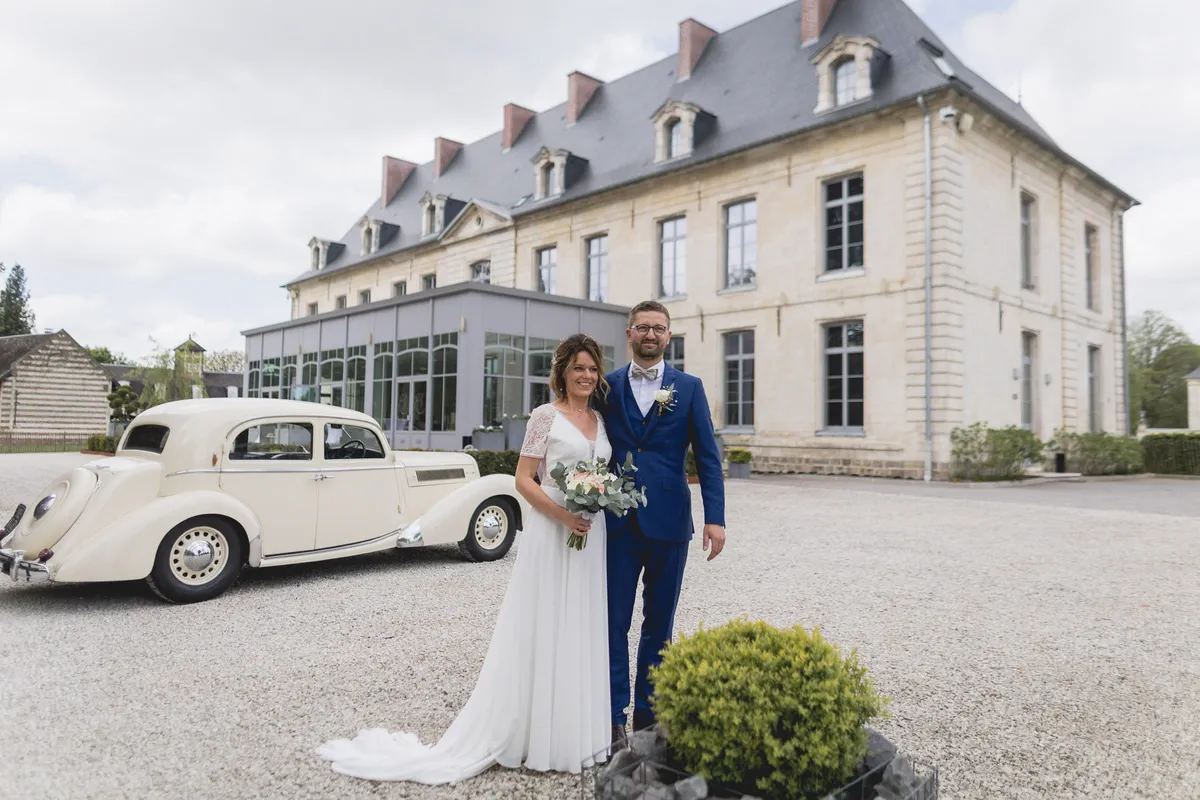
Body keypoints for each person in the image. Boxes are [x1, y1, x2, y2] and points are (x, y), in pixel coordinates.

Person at [315, 334, 613, 783]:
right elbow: (523, 479)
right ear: (563, 373)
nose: (586, 376)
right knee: (546, 621)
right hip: (554, 531)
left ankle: (575, 730)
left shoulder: (598, 418)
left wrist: (596, 500)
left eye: (592, 369)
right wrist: (561, 514)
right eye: (578, 369)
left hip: (592, 533)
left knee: (580, 624)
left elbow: (600, 472)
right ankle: (535, 731)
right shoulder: (544, 416)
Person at [601, 300, 726, 749]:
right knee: (612, 622)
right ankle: (613, 717)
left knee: (660, 623)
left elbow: (708, 458)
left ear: (668, 337)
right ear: (629, 334)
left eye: (658, 328)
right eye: (642, 327)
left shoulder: (688, 388)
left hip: (671, 524)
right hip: (615, 523)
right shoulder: (607, 387)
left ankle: (649, 722)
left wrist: (716, 518)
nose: (650, 334)